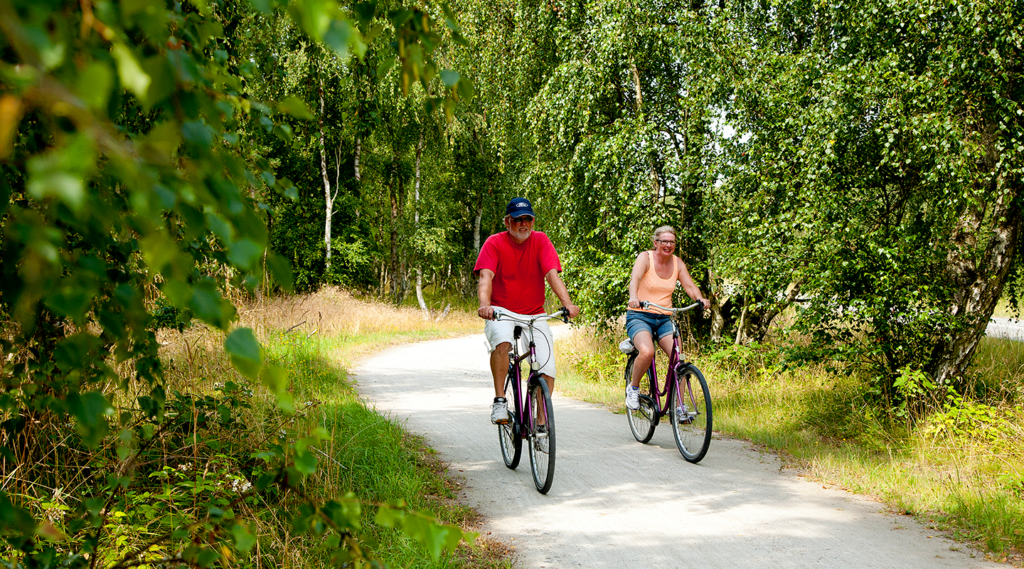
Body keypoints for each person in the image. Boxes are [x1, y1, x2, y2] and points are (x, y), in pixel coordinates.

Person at [475, 197, 581, 426]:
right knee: (503, 343)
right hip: (501, 311)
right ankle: (500, 401)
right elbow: (486, 278)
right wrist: (486, 305)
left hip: (534, 313)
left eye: (528, 219)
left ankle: (541, 424)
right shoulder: (494, 243)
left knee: (547, 366)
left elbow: (552, 275)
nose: (523, 224)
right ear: (507, 222)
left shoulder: (541, 241)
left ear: (532, 221)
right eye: (517, 219)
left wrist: (568, 304)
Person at [625, 225, 710, 411]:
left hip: (664, 318)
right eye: (664, 241)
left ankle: (680, 407)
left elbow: (689, 285)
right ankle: (633, 388)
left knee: (678, 360)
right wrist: (634, 297)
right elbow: (635, 279)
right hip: (640, 315)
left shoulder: (677, 263)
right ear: (655, 243)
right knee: (647, 352)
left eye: (672, 242)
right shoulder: (645, 257)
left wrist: (700, 298)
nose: (668, 245)